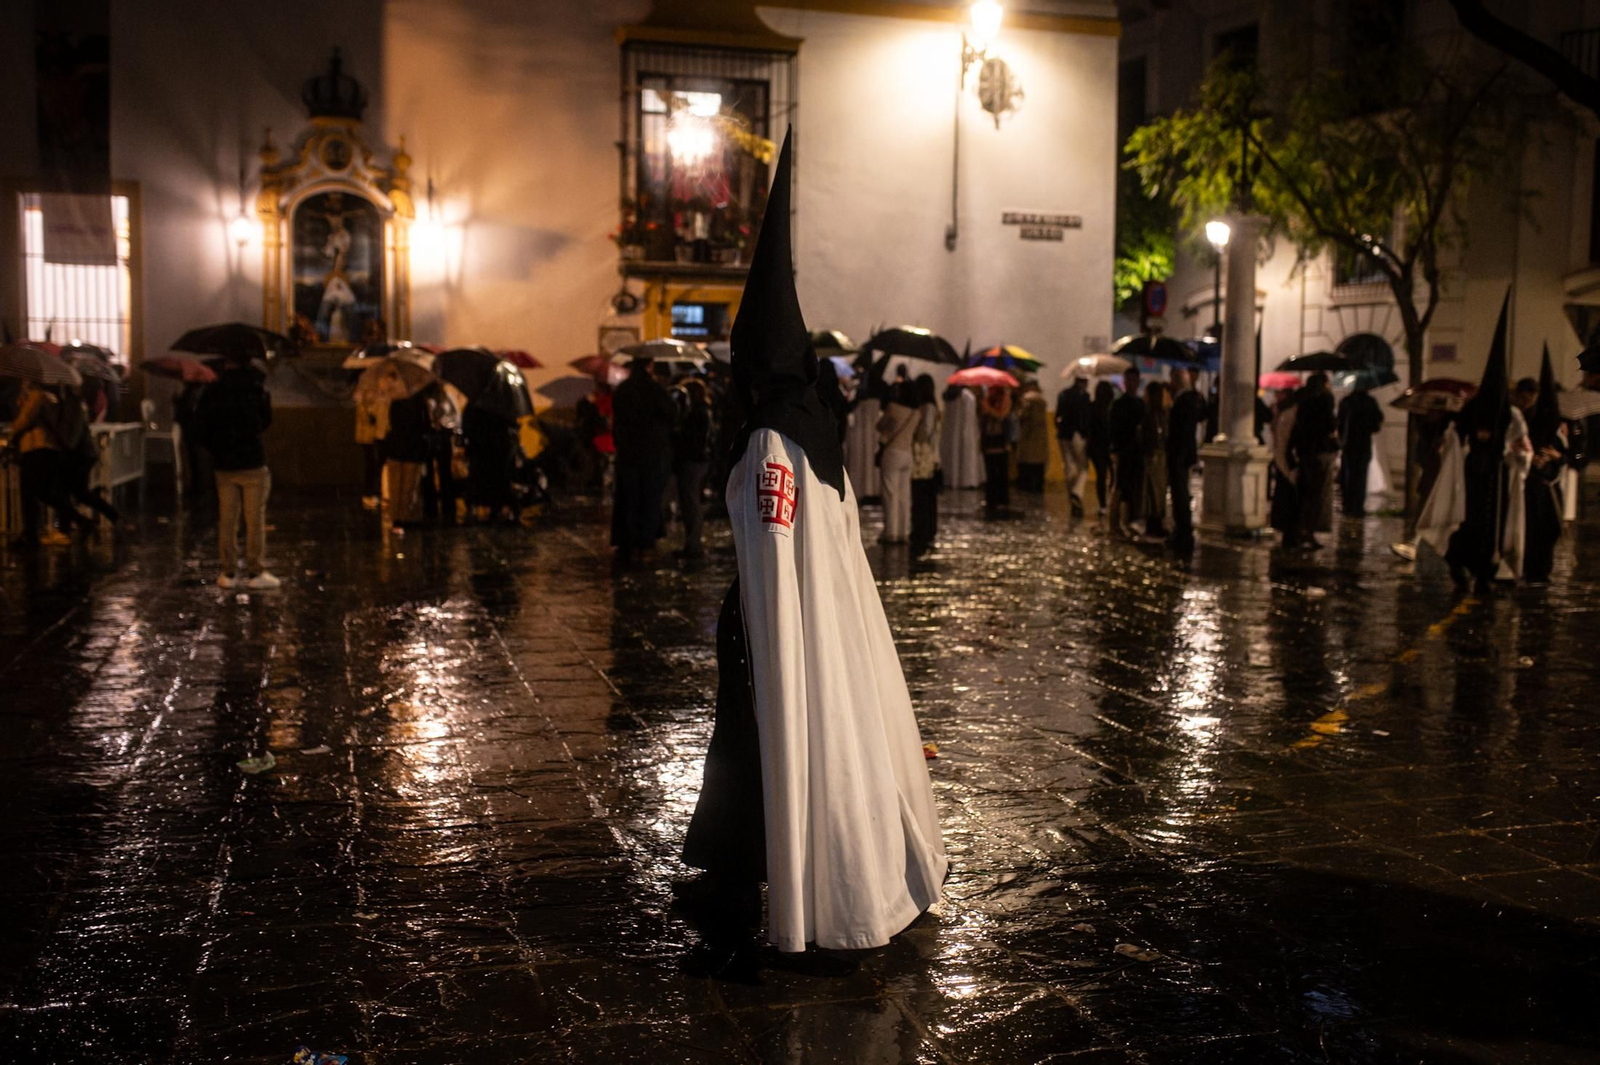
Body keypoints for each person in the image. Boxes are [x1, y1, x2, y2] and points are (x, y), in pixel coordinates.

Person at [681, 131, 944, 973]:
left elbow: (773, 558)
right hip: (808, 633)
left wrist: (766, 642)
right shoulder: (813, 430)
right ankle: (728, 874)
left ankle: (781, 892)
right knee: (749, 755)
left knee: (766, 752)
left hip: (780, 637)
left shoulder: (767, 441)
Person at [194, 353, 278, 589]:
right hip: (252, 461)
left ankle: (227, 573)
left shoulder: (212, 391)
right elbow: (265, 421)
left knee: (227, 520)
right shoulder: (255, 387)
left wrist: (216, 449)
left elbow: (200, 426)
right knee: (255, 520)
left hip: (224, 464)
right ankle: (255, 571)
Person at [3, 381, 88, 547]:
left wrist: (14, 428)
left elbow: (24, 420)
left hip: (35, 448)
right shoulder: (51, 399)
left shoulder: (37, 397)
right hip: (46, 450)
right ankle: (78, 519)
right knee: (43, 492)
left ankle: (31, 534)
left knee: (29, 493)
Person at [611, 354, 677, 561]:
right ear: (650, 366)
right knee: (649, 498)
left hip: (628, 453)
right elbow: (671, 414)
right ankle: (645, 544)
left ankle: (628, 542)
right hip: (652, 453)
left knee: (628, 498)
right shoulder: (656, 390)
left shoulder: (623, 390)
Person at [1522, 348, 1566, 585]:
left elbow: (1565, 455)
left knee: (1549, 529)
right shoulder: (1526, 421)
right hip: (1531, 485)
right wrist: (1532, 460)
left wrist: (1556, 456)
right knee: (1531, 529)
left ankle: (1543, 569)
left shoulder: (1556, 426)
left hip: (1549, 486)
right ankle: (1531, 569)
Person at [1290, 373, 1338, 549]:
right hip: (1321, 450)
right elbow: (1330, 425)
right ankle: (1309, 530)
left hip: (1304, 451)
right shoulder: (1325, 399)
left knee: (1306, 492)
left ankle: (1301, 528)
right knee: (1318, 493)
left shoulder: (1302, 400)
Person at [673, 377, 714, 559]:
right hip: (697, 460)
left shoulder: (698, 413)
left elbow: (692, 438)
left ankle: (694, 543)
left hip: (694, 460)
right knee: (690, 502)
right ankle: (691, 542)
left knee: (691, 502)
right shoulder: (700, 412)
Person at [382, 387, 433, 527]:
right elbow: (425, 426)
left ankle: (395, 517)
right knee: (409, 486)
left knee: (395, 484)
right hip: (413, 448)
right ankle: (406, 516)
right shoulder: (421, 403)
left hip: (395, 447)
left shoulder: (395, 401)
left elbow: (391, 422)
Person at [1167, 368, 1204, 552]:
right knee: (1181, 490)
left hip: (1179, 453)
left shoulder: (1184, 400)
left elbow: (1178, 431)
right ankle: (1182, 526)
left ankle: (1182, 528)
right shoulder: (1192, 399)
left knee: (1180, 491)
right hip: (1185, 452)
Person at [876, 381, 918, 544]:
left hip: (892, 452)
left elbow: (879, 426)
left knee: (889, 493)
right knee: (904, 495)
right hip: (908, 454)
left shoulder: (893, 408)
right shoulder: (916, 413)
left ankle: (891, 532)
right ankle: (903, 531)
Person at [1107, 368, 1145, 537]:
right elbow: (1114, 428)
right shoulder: (1119, 403)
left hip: (1135, 452)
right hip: (1122, 451)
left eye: (1134, 379)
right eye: (1128, 379)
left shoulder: (1139, 403)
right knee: (1120, 486)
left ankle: (1128, 520)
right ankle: (1115, 522)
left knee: (1131, 487)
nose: (1131, 383)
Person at [1337, 381, 1385, 516]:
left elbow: (1340, 423)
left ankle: (1348, 504)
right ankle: (1357, 505)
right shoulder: (1370, 402)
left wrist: (1341, 440)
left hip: (1349, 444)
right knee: (1360, 475)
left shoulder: (1346, 402)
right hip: (1363, 443)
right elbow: (1377, 421)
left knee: (1348, 475)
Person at [909, 374, 942, 554]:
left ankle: (924, 529)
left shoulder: (927, 408)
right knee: (926, 496)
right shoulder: (932, 407)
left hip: (923, 458)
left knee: (922, 495)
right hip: (929, 458)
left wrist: (913, 430)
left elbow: (925, 432)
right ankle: (926, 528)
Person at [1268, 387, 1301, 547]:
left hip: (1283, 457)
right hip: (1281, 457)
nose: (1276, 396)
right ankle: (1287, 531)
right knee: (1285, 496)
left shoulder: (1289, 412)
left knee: (1287, 496)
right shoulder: (1282, 412)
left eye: (1279, 393)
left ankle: (1289, 531)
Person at [1054, 374, 1091, 515]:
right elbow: (1084, 417)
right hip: (1077, 434)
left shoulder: (1063, 394)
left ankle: (1073, 498)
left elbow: (1057, 415)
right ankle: (1077, 493)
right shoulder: (1084, 397)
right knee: (1083, 467)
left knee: (1069, 467)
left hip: (1064, 434)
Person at [1140, 381, 1170, 539]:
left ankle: (1157, 521)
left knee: (1159, 490)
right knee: (1152, 490)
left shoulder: (1161, 413)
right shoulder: (1148, 414)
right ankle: (1152, 523)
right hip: (1153, 455)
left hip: (1160, 454)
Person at [940, 383, 984, 490]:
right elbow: (970, 419)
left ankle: (950, 480)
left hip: (949, 433)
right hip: (966, 433)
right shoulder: (968, 396)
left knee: (951, 456)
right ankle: (966, 481)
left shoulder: (948, 396)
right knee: (966, 457)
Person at [979, 384, 1012, 512]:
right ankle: (990, 498)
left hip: (1001, 441)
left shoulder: (1005, 399)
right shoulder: (987, 400)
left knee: (1001, 472)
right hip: (989, 440)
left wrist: (989, 409)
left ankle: (1002, 499)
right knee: (990, 472)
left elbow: (1002, 415)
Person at [354, 391, 388, 510]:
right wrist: (372, 414)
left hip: (379, 433)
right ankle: (369, 493)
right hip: (369, 435)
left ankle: (377, 492)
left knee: (378, 463)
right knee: (372, 463)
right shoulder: (366, 393)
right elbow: (365, 413)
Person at [1086, 381, 1116, 516]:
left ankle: (1104, 504)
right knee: (1108, 475)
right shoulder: (1109, 409)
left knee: (1102, 475)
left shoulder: (1092, 407)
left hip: (1096, 447)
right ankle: (1106, 503)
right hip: (1105, 447)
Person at [1014, 384, 1050, 492]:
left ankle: (1026, 485)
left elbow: (1021, 415)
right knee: (1038, 464)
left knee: (1026, 463)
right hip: (1040, 436)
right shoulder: (1042, 400)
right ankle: (1038, 485)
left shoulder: (1026, 399)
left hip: (1027, 436)